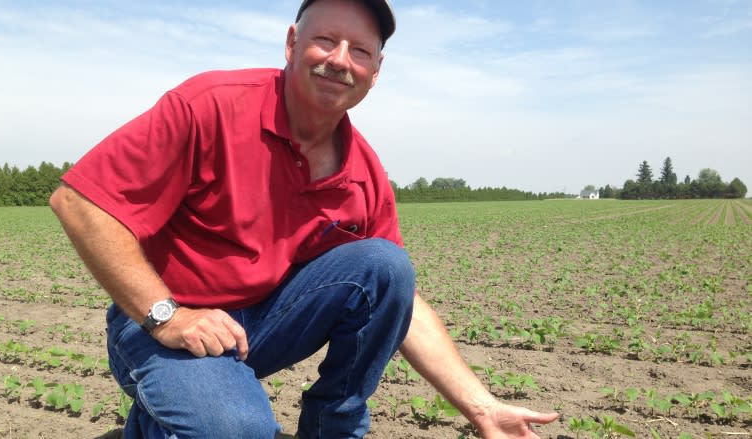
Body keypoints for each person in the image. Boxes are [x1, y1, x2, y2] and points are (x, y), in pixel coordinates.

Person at [50, 0, 560, 437]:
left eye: (359, 50)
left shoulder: (363, 173)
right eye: (326, 41)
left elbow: (399, 299)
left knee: (386, 266)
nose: (340, 61)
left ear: (376, 70)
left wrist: (482, 406)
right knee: (237, 430)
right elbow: (80, 202)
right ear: (292, 43)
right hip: (159, 320)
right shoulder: (211, 107)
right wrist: (167, 317)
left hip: (258, 326)